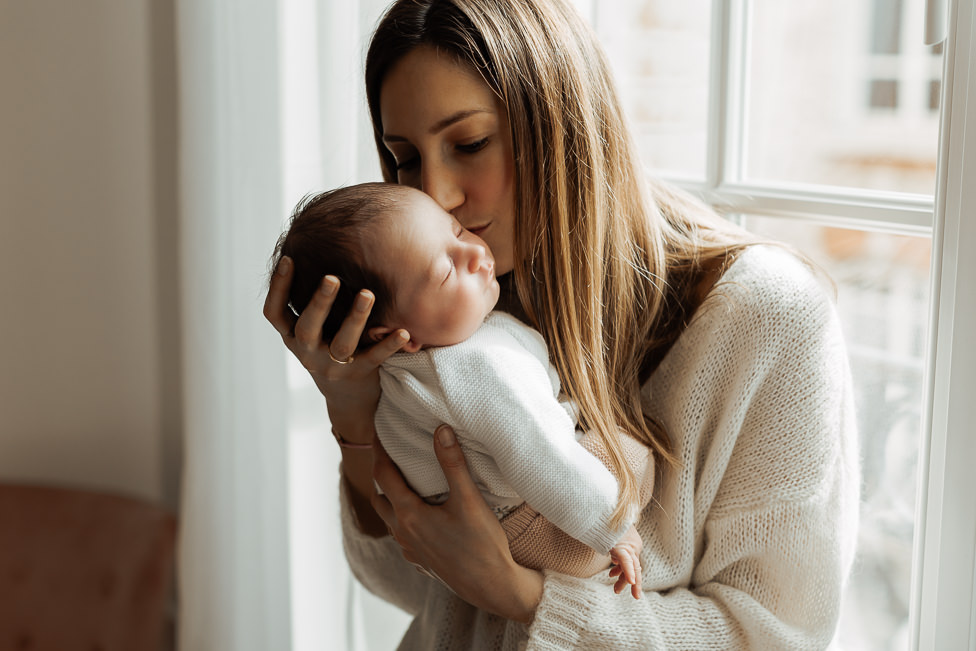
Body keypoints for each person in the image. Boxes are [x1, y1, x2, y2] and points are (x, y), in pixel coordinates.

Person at [263, 0, 860, 647]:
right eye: (404, 158)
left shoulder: (768, 316)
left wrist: (524, 597)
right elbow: (399, 581)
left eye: (469, 144)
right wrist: (352, 414)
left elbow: (777, 636)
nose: (437, 196)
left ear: (563, 124)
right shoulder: (455, 316)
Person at [270, 181, 650, 597]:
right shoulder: (475, 367)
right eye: (446, 270)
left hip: (494, 529)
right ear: (398, 335)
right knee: (633, 456)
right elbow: (539, 452)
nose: (475, 253)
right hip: (535, 530)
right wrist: (613, 531)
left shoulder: (403, 373)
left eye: (456, 231)